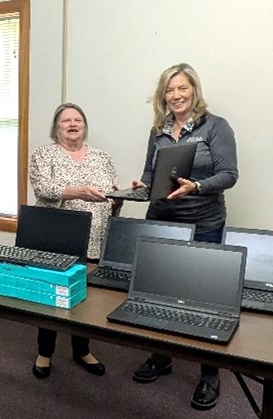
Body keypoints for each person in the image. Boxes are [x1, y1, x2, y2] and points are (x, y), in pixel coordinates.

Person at [130, 63, 238, 411]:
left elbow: (229, 174)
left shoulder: (215, 126)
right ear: (163, 95)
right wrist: (143, 184)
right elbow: (151, 171)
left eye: (182, 88)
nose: (175, 95)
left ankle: (210, 373)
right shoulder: (158, 130)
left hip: (204, 222)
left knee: (206, 298)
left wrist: (198, 186)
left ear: (194, 90)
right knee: (159, 290)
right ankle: (161, 357)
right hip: (162, 219)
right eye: (169, 90)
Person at [28, 103, 116, 379]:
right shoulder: (44, 155)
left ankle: (82, 350)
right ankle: (44, 352)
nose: (72, 124)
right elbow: (42, 188)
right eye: (66, 120)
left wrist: (123, 196)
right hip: (57, 238)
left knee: (85, 299)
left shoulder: (102, 156)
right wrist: (76, 192)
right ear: (56, 128)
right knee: (51, 297)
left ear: (85, 126)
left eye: (78, 119)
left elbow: (112, 195)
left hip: (95, 239)